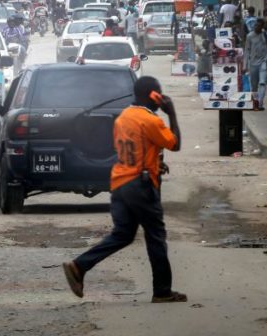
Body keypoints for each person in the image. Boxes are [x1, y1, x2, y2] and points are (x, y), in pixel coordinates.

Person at [62, 76, 185, 304]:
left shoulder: (124, 117)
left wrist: (156, 163)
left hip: (120, 183)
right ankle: (162, 291)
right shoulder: (150, 120)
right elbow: (175, 143)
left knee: (123, 234)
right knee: (156, 236)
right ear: (153, 95)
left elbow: (139, 148)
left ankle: (79, 266)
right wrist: (172, 112)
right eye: (159, 94)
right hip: (141, 186)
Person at [244, 18, 267, 110]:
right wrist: (245, 65)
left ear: (262, 27)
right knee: (254, 85)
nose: (256, 27)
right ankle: (255, 101)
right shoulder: (249, 36)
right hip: (253, 63)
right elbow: (247, 50)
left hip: (263, 62)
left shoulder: (266, 35)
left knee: (262, 83)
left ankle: (260, 103)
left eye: (259, 25)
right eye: (255, 25)